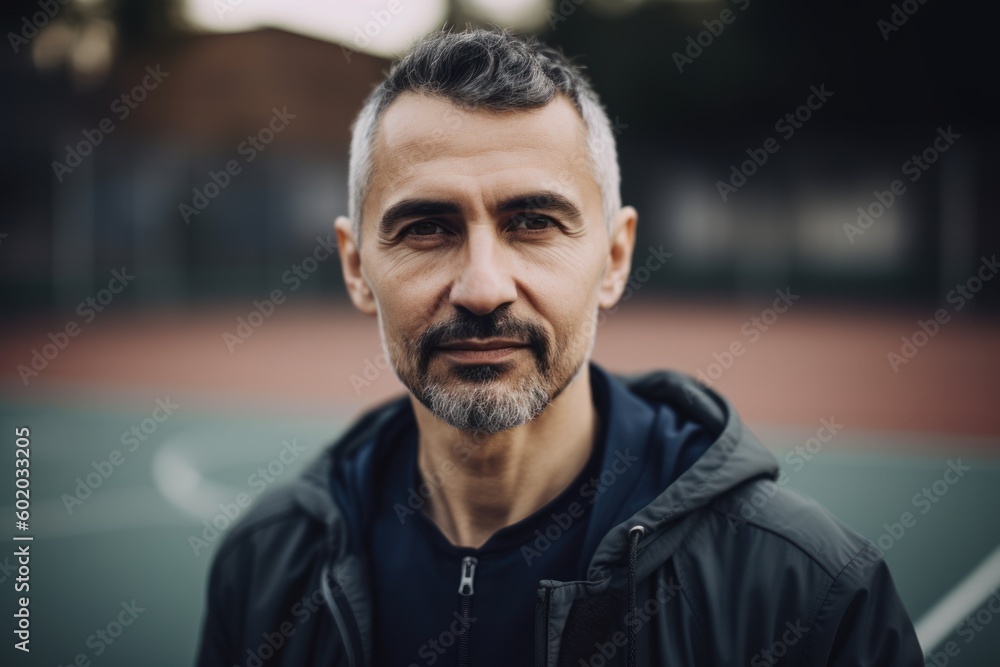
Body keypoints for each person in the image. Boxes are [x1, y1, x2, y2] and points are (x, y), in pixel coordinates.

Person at [195, 27, 924, 667]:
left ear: (613, 257)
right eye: (427, 228)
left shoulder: (808, 590)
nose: (483, 288)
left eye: (533, 221)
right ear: (357, 267)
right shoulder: (265, 568)